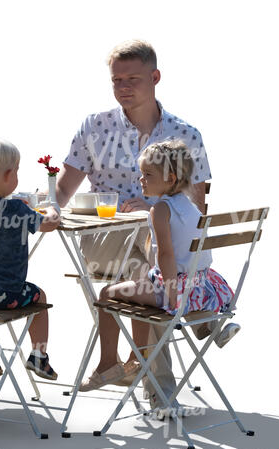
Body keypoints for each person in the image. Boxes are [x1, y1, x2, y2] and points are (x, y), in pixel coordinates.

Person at [55, 39, 213, 408]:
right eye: (116, 80)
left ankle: (120, 364)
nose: (123, 87)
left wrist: (152, 207)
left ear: (155, 77)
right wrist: (49, 210)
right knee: (153, 265)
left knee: (149, 265)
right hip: (104, 238)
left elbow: (198, 206)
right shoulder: (95, 127)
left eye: (133, 79)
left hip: (162, 249)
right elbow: (65, 186)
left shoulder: (186, 135)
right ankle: (160, 379)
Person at [80, 140, 235, 394]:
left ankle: (109, 364)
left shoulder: (161, 209)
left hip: (176, 290)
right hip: (202, 288)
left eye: (147, 175)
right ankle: (138, 360)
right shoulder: (193, 208)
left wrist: (170, 293)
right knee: (137, 283)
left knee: (107, 293)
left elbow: (165, 254)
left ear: (171, 178)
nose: (141, 180)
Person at [0, 139, 60, 380]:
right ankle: (39, 356)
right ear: (8, 175)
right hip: (8, 295)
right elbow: (49, 225)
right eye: (16, 171)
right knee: (40, 298)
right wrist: (52, 210)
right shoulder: (16, 208)